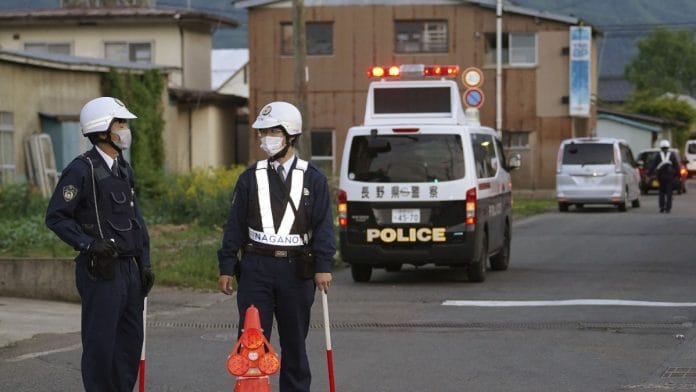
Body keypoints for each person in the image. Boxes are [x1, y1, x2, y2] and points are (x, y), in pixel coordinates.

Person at [217, 101, 335, 392]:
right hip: (257, 267)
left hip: (297, 270)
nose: (265, 138)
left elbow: (323, 226)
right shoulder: (250, 177)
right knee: (251, 341)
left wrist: (323, 267)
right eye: (262, 132)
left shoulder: (313, 178)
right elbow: (234, 225)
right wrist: (227, 266)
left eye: (273, 131)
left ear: (290, 135)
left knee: (295, 343)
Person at [45, 96, 155, 392]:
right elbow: (56, 217)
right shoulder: (81, 170)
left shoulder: (123, 169)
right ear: (102, 129)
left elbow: (137, 222)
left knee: (130, 345)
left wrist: (144, 264)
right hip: (101, 271)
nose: (126, 129)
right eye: (121, 123)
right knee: (101, 346)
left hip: (130, 270)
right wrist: (88, 244)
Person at [648, 139, 680, 213]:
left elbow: (653, 165)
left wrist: (649, 174)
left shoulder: (658, 155)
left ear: (661, 147)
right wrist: (678, 176)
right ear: (668, 146)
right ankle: (668, 208)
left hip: (661, 176)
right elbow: (676, 166)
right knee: (669, 192)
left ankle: (662, 207)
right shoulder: (672, 154)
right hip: (670, 176)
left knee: (661, 191)